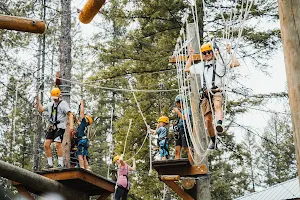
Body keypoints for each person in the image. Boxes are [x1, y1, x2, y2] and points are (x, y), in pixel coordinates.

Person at [185, 43, 240, 150]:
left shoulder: (220, 63)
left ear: (213, 52)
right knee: (207, 120)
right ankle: (213, 140)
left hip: (217, 91)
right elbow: (187, 69)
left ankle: (219, 123)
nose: (207, 55)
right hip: (206, 94)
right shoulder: (201, 66)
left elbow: (236, 63)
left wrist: (229, 52)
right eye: (204, 53)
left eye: (209, 52)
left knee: (217, 104)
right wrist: (191, 56)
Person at [37, 87, 71, 168]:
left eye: (56, 98)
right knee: (46, 144)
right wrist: (38, 100)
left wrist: (71, 126)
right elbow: (41, 109)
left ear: (59, 96)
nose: (55, 100)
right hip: (52, 126)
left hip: (60, 126)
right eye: (54, 98)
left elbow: (69, 114)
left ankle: (60, 164)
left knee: (57, 144)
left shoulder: (63, 104)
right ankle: (50, 164)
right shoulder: (50, 104)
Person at [173, 94, 193, 164]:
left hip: (185, 129)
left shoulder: (187, 109)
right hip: (179, 130)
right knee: (177, 150)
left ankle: (192, 165)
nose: (176, 104)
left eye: (177, 103)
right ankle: (176, 166)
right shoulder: (181, 111)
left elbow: (185, 118)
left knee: (187, 148)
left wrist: (178, 112)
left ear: (180, 102)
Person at [74, 100, 93, 169]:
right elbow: (78, 123)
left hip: (81, 141)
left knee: (80, 155)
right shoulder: (84, 126)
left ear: (86, 120)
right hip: (84, 141)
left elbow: (81, 112)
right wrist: (75, 117)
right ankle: (86, 168)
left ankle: (82, 168)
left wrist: (82, 103)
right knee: (84, 156)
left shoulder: (84, 122)